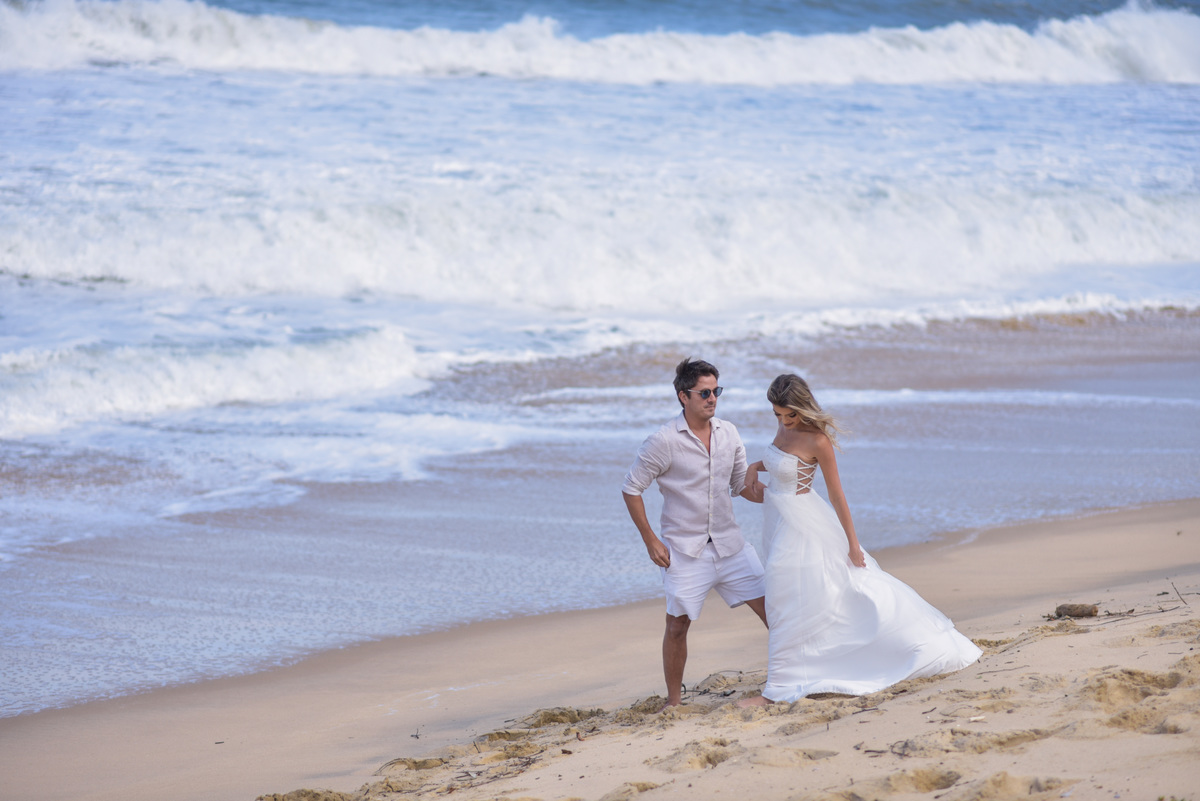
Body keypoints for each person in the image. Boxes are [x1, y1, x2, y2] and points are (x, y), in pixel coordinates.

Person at [739, 374, 980, 706]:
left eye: (789, 415)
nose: (784, 422)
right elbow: (780, 462)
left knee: (786, 596)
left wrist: (853, 545)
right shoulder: (784, 429)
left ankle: (776, 689)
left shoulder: (818, 440)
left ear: (803, 407)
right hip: (778, 520)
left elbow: (837, 496)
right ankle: (800, 672)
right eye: (778, 415)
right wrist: (754, 467)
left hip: (803, 526)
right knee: (795, 598)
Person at [622, 357, 769, 708]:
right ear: (682, 396)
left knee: (774, 612)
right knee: (677, 626)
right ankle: (674, 702)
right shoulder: (662, 441)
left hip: (730, 545)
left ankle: (788, 678)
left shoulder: (728, 433)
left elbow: (738, 485)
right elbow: (631, 488)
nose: (712, 398)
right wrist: (650, 540)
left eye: (716, 390)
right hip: (685, 551)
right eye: (704, 392)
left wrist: (777, 495)